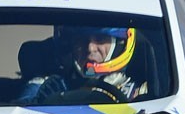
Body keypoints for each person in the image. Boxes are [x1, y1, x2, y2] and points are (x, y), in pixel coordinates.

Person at [18, 26, 147, 103]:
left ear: (119, 44)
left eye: (100, 39)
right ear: (71, 46)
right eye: (81, 40)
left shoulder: (142, 92)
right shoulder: (48, 86)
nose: (90, 48)